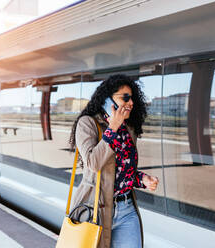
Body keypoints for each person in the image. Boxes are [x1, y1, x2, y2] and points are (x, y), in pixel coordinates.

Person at [68, 74, 159, 248]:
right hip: (96, 210)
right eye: (125, 97)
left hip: (126, 209)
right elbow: (93, 163)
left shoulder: (129, 128)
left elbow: (123, 170)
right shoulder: (87, 123)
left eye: (132, 98)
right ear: (107, 99)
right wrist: (112, 128)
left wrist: (142, 179)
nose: (131, 103)